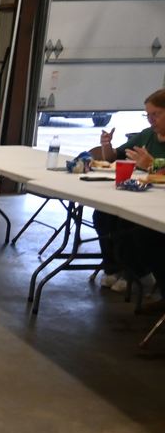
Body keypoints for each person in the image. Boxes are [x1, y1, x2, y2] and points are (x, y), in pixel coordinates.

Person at [89, 87, 165, 296]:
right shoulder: (147, 135)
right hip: (138, 192)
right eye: (147, 115)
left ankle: (138, 272)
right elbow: (113, 157)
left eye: (155, 114)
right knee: (102, 214)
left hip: (157, 203)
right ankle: (114, 267)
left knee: (131, 224)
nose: (151, 120)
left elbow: (157, 168)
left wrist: (153, 165)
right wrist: (106, 145)